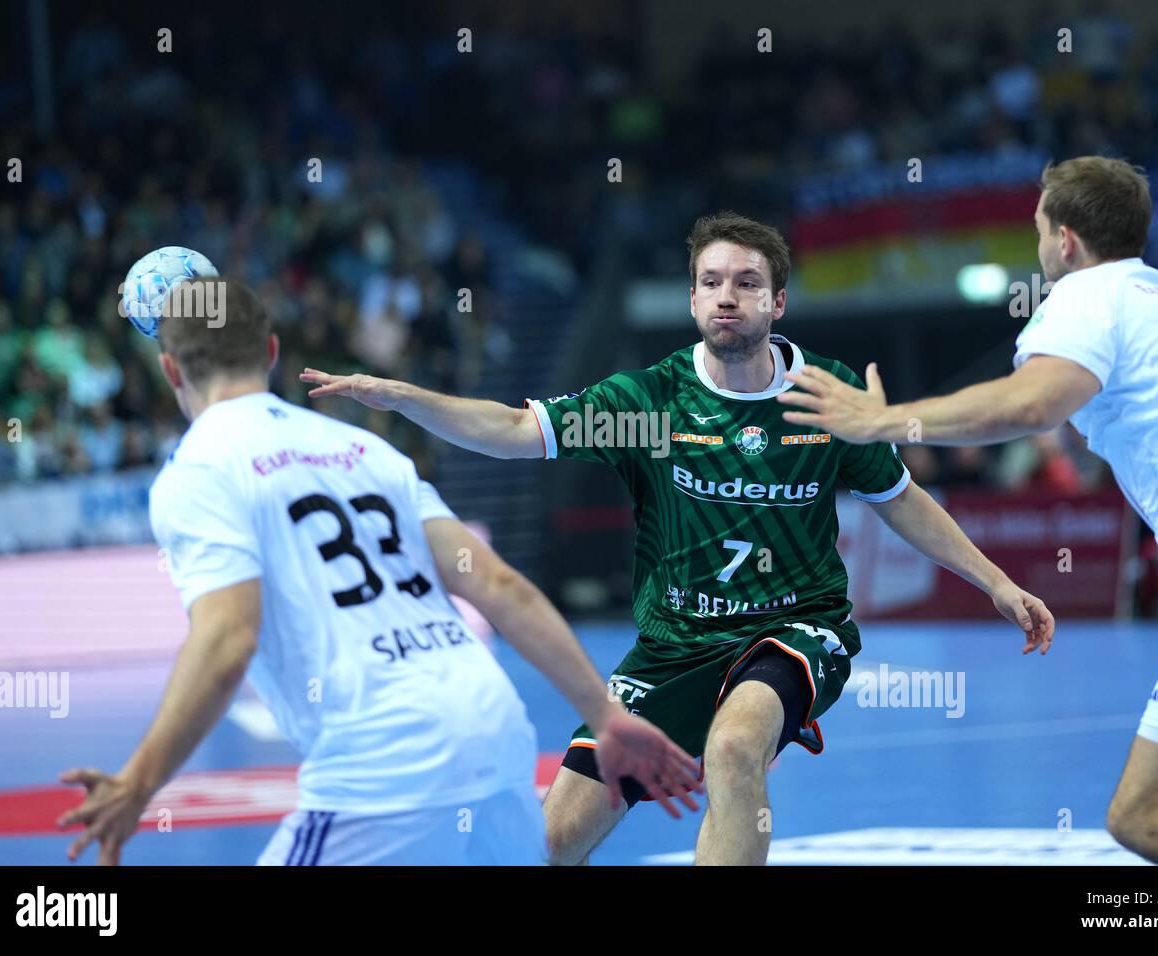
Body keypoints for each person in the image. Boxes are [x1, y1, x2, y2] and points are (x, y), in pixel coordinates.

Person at [299, 212, 1055, 865]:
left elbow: (901, 499)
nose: (729, 295)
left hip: (796, 629)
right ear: (693, 298)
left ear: (778, 301)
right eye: (713, 280)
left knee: (732, 750)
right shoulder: (648, 405)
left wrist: (996, 580)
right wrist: (401, 398)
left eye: (748, 282)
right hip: (672, 646)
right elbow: (511, 430)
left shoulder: (823, 398)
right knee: (553, 841)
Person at [57, 277, 700, 866]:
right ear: (273, 352)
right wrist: (607, 716)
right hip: (492, 730)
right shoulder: (364, 448)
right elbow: (499, 587)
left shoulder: (197, 471)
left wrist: (138, 782)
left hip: (385, 757)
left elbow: (227, 640)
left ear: (169, 368)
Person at [774, 156, 1158, 864]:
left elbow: (1032, 402)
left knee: (1145, 815)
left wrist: (885, 421)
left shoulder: (1088, 292)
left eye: (1038, 227)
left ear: (1064, 241)